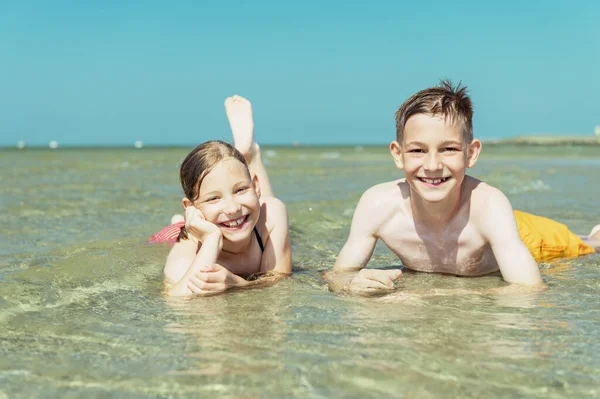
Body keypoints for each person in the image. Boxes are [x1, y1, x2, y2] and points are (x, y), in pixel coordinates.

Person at [326, 80, 599, 295]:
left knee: (585, 246)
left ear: (471, 153)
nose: (432, 165)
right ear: (398, 154)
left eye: (448, 149)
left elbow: (529, 290)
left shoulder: (490, 206)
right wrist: (351, 284)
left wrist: (439, 296)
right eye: (418, 150)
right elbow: (338, 275)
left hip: (530, 239)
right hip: (500, 229)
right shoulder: (377, 205)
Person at [151, 95, 292, 296]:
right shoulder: (190, 245)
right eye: (213, 198)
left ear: (255, 186)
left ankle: (250, 155)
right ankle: (180, 217)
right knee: (172, 233)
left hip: (255, 218)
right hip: (175, 233)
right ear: (191, 207)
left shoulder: (274, 213)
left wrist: (235, 283)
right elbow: (175, 298)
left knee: (267, 207)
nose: (232, 207)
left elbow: (280, 281)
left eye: (241, 189)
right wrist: (210, 239)